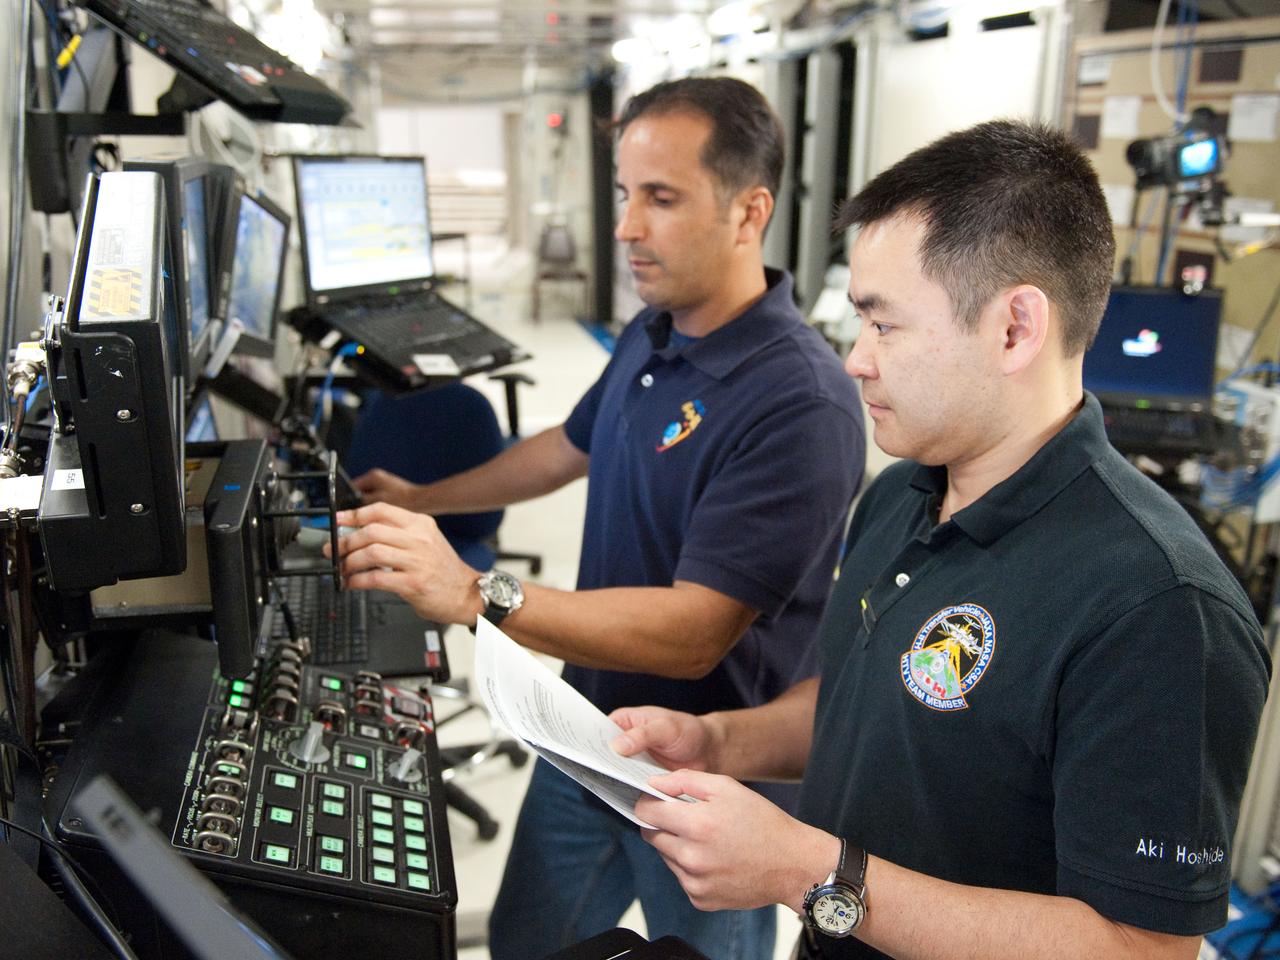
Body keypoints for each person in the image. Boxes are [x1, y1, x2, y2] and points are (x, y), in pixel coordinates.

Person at [611, 119, 1271, 960]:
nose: (855, 360)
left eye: (884, 326)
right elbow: (869, 703)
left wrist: (810, 872)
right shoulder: (900, 494)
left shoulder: (1160, 607)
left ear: (1014, 329)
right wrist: (718, 742)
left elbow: (1142, 949)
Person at [332, 76, 865, 959]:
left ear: (749, 212)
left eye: (661, 198)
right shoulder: (656, 331)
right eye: (625, 194)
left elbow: (696, 632)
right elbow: (566, 447)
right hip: (585, 735)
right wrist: (422, 498)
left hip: (701, 782)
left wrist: (472, 591)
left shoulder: (798, 402)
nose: (625, 227)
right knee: (531, 943)